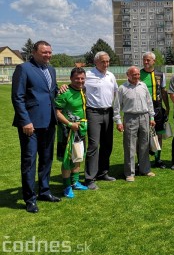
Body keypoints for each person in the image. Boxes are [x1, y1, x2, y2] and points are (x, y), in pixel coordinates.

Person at [11, 40, 61, 213]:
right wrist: (25, 120)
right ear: (34, 52)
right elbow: (17, 97)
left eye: (49, 52)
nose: (48, 55)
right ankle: (30, 199)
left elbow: (50, 92)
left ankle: (45, 191)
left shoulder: (52, 70)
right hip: (30, 125)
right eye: (44, 52)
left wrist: (59, 90)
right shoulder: (23, 69)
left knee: (47, 159)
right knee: (29, 161)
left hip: (49, 122)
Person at [84, 51, 120, 190]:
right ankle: (89, 178)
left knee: (107, 144)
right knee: (93, 145)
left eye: (107, 61)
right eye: (103, 62)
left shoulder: (111, 75)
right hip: (93, 112)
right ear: (96, 62)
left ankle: (103, 172)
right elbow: (77, 86)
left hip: (108, 112)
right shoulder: (88, 75)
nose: (106, 64)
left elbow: (115, 93)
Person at [115, 66, 156, 182]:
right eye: (134, 75)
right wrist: (118, 122)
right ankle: (129, 173)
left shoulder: (143, 86)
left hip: (144, 116)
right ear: (128, 75)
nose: (137, 77)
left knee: (144, 144)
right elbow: (116, 107)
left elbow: (149, 102)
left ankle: (145, 169)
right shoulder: (122, 88)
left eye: (138, 74)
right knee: (130, 146)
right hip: (130, 118)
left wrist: (151, 116)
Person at [55, 67, 89, 199]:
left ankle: (75, 182)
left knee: (78, 155)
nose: (80, 81)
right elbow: (57, 113)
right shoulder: (64, 92)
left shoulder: (83, 89)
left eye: (82, 78)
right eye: (77, 78)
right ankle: (67, 186)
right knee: (67, 160)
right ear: (71, 79)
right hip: (67, 130)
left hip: (81, 128)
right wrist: (70, 124)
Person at [140, 52, 170, 169]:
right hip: (142, 108)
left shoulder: (160, 74)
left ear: (154, 61)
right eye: (144, 60)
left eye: (148, 60)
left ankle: (158, 159)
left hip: (157, 107)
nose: (146, 62)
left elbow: (163, 91)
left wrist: (167, 107)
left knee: (158, 135)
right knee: (143, 135)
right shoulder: (139, 74)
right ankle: (142, 160)